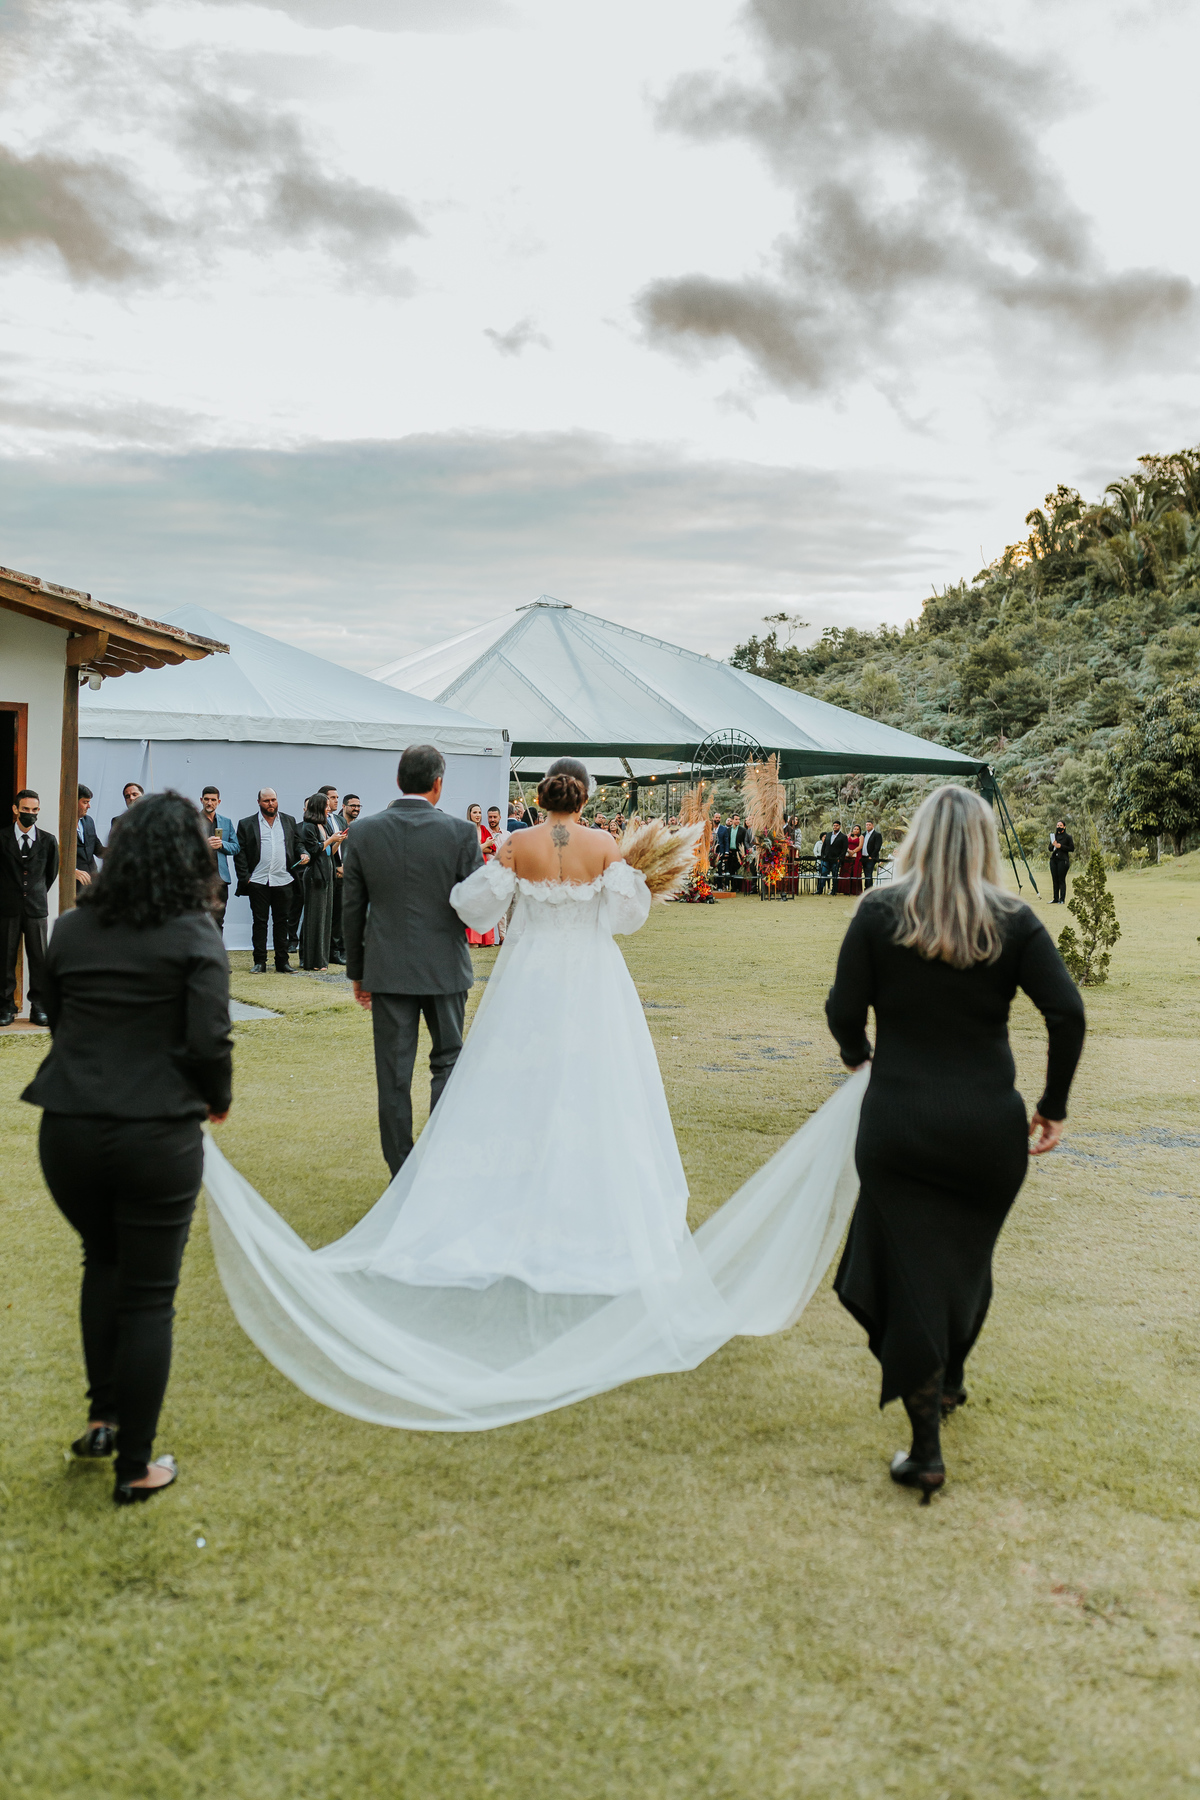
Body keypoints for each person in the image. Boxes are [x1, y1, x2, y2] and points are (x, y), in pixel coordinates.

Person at [826, 784, 1085, 1501]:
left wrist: (860, 1059)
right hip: (988, 1130)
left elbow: (843, 1009)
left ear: (917, 837)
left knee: (911, 1271)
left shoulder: (879, 912)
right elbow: (1067, 1013)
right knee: (967, 1260)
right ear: (984, 842)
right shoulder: (1014, 919)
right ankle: (950, 1381)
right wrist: (1052, 1106)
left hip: (898, 1124)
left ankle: (926, 1449)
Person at [21, 791, 232, 1505]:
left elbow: (56, 1014)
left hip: (68, 1129)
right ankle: (136, 1467)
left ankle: (102, 1419)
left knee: (101, 1261)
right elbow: (210, 1039)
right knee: (148, 1298)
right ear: (188, 855)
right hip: (156, 1134)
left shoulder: (74, 927)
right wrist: (217, 1098)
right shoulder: (194, 932)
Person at [343, 745, 484, 1177]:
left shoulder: (362, 832)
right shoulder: (462, 833)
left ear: (398, 780)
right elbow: (475, 906)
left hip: (386, 970)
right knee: (448, 1063)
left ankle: (402, 1172)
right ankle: (442, 1165)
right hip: (446, 968)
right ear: (438, 783)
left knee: (393, 1075)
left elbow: (352, 909)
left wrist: (357, 972)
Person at [2, 790, 59, 1028]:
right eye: (25, 809)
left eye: (35, 810)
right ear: (15, 809)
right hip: (8, 908)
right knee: (5, 957)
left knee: (39, 958)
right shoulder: (2, 837)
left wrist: (35, 892)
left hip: (36, 907)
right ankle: (5, 1007)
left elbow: (51, 873)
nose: (31, 814)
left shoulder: (48, 840)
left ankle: (40, 1008)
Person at [234, 788, 301, 974]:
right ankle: (260, 962)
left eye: (273, 800)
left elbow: (296, 843)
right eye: (266, 801)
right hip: (258, 880)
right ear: (258, 802)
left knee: (282, 922)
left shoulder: (289, 820)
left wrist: (303, 853)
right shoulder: (246, 824)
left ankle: (282, 962)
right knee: (259, 922)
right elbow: (240, 852)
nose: (270, 804)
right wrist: (245, 877)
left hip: (283, 879)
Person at [298, 793, 335, 971]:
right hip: (315, 875)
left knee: (325, 917)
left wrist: (337, 841)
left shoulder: (324, 825)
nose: (329, 808)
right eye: (326, 805)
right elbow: (314, 849)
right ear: (319, 807)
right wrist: (331, 839)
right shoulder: (309, 826)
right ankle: (312, 960)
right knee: (315, 918)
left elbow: (329, 851)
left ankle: (321, 959)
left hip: (327, 872)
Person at [199, 786, 239, 931]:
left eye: (213, 800)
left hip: (220, 879)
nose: (209, 803)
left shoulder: (226, 822)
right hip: (200, 879)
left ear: (218, 801)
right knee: (199, 919)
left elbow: (236, 847)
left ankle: (216, 946)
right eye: (206, 799)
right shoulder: (193, 821)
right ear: (201, 800)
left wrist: (222, 844)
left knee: (218, 920)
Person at [318, 787, 350, 964]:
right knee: (326, 914)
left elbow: (346, 845)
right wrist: (336, 867)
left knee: (340, 914)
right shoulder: (319, 821)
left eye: (337, 797)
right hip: (328, 871)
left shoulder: (340, 820)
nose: (336, 800)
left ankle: (337, 950)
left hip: (343, 872)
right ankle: (326, 950)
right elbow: (323, 847)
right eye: (332, 797)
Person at [465, 804, 498, 948]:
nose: (478, 815)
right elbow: (469, 850)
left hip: (484, 866)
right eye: (475, 812)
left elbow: (492, 849)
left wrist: (481, 846)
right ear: (470, 814)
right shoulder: (466, 829)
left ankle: (485, 940)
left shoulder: (484, 829)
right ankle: (473, 940)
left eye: (479, 812)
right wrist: (484, 845)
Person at [75, 786, 104, 893]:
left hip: (92, 881)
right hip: (72, 884)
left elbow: (97, 848)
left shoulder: (89, 821)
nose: (89, 806)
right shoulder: (60, 825)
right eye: (85, 802)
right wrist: (73, 871)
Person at [1049, 820, 1075, 904]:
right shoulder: (1054, 836)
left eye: (1060, 825)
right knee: (1055, 879)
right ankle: (1055, 898)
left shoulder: (1068, 837)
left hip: (1063, 860)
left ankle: (1062, 899)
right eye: (1058, 825)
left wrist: (1061, 846)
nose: (1059, 827)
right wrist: (1053, 845)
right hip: (1054, 860)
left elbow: (1071, 848)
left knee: (1061, 880)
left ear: (1064, 827)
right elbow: (1050, 849)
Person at [825, 819, 848, 894]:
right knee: (823, 873)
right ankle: (819, 889)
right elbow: (824, 846)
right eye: (834, 826)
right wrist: (823, 855)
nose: (835, 827)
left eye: (837, 826)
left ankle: (834, 890)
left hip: (836, 859)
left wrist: (840, 858)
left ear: (840, 827)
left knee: (835, 875)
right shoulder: (828, 834)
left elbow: (844, 849)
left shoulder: (843, 837)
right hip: (827, 858)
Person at [841, 824, 864, 896]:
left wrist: (853, 851)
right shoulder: (848, 836)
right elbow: (845, 844)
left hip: (857, 855)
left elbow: (860, 846)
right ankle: (845, 890)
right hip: (847, 854)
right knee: (846, 871)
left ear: (859, 831)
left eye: (857, 829)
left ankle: (855, 890)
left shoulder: (861, 837)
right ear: (852, 830)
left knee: (855, 871)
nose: (856, 830)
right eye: (855, 829)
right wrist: (848, 850)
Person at [862, 820, 883, 889]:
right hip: (863, 857)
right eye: (866, 825)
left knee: (869, 873)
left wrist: (872, 856)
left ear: (872, 825)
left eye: (869, 825)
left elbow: (877, 847)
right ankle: (867, 887)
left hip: (870, 858)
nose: (868, 826)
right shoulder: (863, 834)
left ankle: (868, 888)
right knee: (865, 873)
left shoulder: (877, 835)